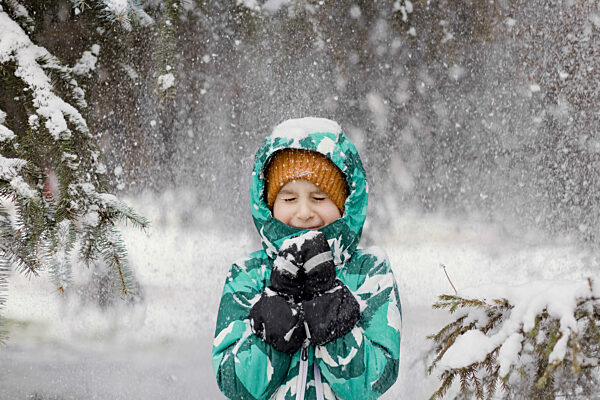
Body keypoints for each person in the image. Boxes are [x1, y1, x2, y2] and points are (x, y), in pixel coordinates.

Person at [212, 117, 402, 400]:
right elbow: (235, 386)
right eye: (289, 199)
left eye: (319, 197)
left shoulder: (369, 273)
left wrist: (330, 311)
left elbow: (373, 381)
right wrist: (277, 314)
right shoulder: (248, 275)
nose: (304, 212)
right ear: (269, 205)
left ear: (344, 203)